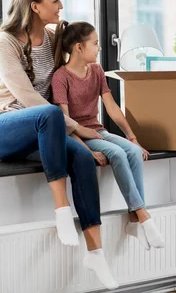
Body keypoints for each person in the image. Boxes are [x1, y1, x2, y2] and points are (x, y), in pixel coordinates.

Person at [0, 0, 118, 290]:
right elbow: (29, 100)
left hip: (46, 128)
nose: (61, 5)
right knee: (48, 114)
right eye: (55, 0)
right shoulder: (6, 42)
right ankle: (61, 210)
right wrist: (79, 128)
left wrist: (82, 137)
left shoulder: (54, 38)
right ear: (35, 6)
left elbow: (75, 75)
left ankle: (96, 253)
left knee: (82, 159)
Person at [51, 20, 166, 251]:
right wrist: (86, 149)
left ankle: (134, 220)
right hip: (80, 136)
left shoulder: (96, 70)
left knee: (132, 151)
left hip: (98, 130)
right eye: (95, 43)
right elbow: (65, 123)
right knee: (116, 153)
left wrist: (132, 137)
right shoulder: (60, 77)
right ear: (78, 48)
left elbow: (112, 107)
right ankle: (143, 214)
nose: (99, 47)